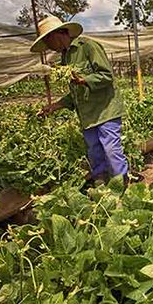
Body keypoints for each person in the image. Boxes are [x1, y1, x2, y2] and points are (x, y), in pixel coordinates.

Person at [33, 15, 130, 187]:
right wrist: (54, 106)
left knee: (111, 149)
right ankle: (100, 185)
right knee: (94, 151)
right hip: (87, 115)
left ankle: (121, 185)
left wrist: (84, 80)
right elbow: (75, 93)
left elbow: (107, 76)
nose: (48, 47)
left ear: (56, 34)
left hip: (105, 109)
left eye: (47, 42)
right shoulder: (65, 59)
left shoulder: (88, 46)